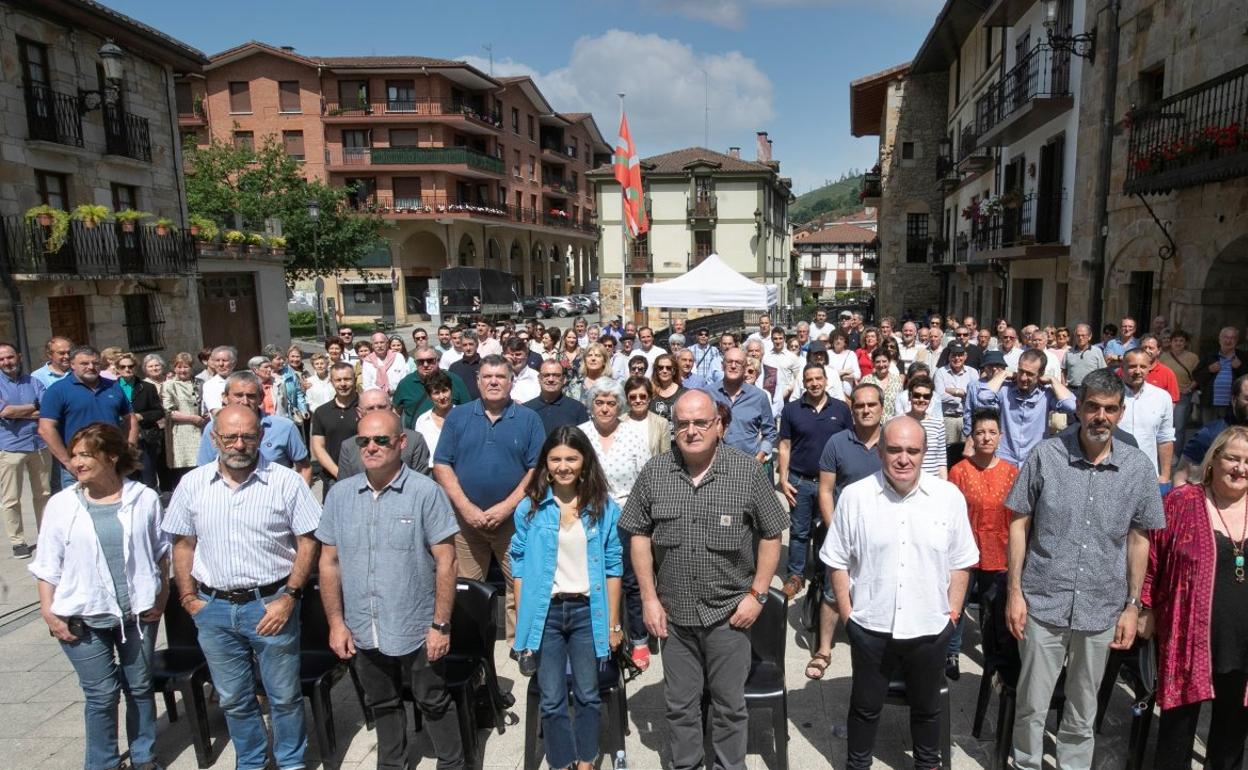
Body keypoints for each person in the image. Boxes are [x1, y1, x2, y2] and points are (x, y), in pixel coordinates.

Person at [1004, 368, 1166, 770]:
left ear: (1121, 413)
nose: (1100, 417)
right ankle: (1025, 763)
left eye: (1110, 409)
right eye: (1092, 406)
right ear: (1078, 407)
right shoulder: (1046, 456)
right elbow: (1018, 522)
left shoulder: (1138, 468)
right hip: (1044, 601)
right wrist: (1014, 592)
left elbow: (1139, 538)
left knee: (1082, 709)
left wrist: (1133, 605)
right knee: (1031, 704)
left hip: (1101, 609)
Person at [619, 389, 788, 770]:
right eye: (683, 424)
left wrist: (758, 594)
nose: (691, 431)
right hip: (674, 616)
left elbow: (772, 532)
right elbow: (639, 534)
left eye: (700, 422)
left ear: (718, 426)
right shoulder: (655, 472)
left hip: (728, 615)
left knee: (730, 707)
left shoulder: (745, 471)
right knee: (680, 707)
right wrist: (648, 598)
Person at [165, 404, 321, 770]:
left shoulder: (285, 481)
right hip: (213, 607)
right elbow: (183, 544)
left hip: (270, 604)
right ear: (214, 438)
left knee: (283, 697)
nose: (239, 444)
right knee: (234, 698)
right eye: (230, 436)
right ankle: (250, 761)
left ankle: (290, 763)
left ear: (261, 438)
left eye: (248, 436)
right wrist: (187, 597)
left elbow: (309, 542)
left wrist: (290, 597)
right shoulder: (193, 483)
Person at [821, 416, 977, 770]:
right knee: (864, 708)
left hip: (929, 628)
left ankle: (927, 764)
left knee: (927, 710)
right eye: (894, 450)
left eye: (912, 450)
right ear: (879, 452)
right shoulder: (856, 497)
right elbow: (837, 561)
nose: (903, 458)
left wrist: (951, 616)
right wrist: (848, 616)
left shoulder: (948, 497)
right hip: (871, 627)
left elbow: (962, 561)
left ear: (924, 453)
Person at [317, 407, 463, 770]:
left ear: (401, 442)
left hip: (416, 624)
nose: (371, 447)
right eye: (363, 440)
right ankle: (392, 763)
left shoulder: (426, 493)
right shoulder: (340, 496)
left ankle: (453, 763)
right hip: (364, 624)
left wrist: (440, 624)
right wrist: (336, 623)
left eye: (381, 439)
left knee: (432, 699)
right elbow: (328, 563)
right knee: (381, 701)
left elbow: (447, 562)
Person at [29, 423, 168, 770]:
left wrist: (161, 599)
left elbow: (161, 553)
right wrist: (49, 612)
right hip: (81, 616)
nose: (76, 462)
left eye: (85, 455)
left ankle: (143, 755)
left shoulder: (144, 498)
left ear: (112, 455)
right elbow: (47, 564)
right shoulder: (62, 504)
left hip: (137, 613)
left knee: (139, 686)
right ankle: (103, 762)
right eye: (74, 455)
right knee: (102, 694)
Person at [512, 426, 623, 770]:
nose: (563, 465)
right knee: (552, 698)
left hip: (587, 614)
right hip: (546, 615)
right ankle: (562, 762)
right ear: (545, 464)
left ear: (585, 461)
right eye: (556, 458)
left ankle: (586, 759)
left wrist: (614, 624)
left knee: (589, 695)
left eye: (571, 458)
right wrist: (523, 618)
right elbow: (518, 563)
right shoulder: (529, 509)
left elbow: (613, 566)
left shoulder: (604, 509)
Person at [1140, 425, 1248, 770]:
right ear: (1213, 459)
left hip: (1242, 645)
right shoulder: (1181, 502)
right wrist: (1144, 606)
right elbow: (1150, 558)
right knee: (1177, 732)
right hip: (1189, 637)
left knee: (1232, 734)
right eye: (1232, 457)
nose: (1240, 468)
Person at [434, 355, 546, 638]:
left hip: (514, 522)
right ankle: (472, 650)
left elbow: (537, 469)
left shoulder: (529, 419)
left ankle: (520, 645)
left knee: (518, 586)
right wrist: (466, 507)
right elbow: (442, 464)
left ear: (511, 381)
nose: (493, 382)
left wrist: (506, 508)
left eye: (500, 377)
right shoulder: (457, 417)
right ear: (478, 381)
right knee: (466, 589)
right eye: (487, 377)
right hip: (465, 523)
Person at [808, 383, 886, 680]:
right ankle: (824, 648)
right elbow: (826, 491)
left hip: (882, 534)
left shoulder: (891, 441)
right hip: (844, 533)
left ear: (881, 408)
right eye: (859, 406)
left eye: (871, 405)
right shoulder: (837, 442)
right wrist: (835, 530)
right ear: (852, 409)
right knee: (832, 591)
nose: (865, 410)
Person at [577, 378, 654, 670]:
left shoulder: (633, 434)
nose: (606, 408)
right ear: (591, 405)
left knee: (632, 581)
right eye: (599, 402)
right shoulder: (581, 434)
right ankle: (601, 635)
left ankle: (638, 639)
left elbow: (645, 478)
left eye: (611, 403)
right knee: (595, 580)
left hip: (627, 518)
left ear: (619, 405)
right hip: (589, 518)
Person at [946, 408, 1019, 680]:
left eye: (991, 433)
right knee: (957, 602)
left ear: (1000, 436)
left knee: (993, 607)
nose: (986, 438)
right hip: (964, 551)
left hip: (998, 550)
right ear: (972, 438)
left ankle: (993, 656)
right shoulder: (959, 471)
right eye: (980, 433)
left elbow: (1017, 516)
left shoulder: (1012, 473)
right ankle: (950, 652)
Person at [778, 364, 852, 599]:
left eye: (818, 378)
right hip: (801, 480)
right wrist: (782, 477)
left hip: (831, 483)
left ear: (826, 379)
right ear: (804, 382)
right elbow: (785, 446)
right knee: (799, 532)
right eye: (809, 379)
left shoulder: (841, 409)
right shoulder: (792, 410)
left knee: (828, 530)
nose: (814, 383)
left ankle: (823, 572)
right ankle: (795, 575)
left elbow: (848, 442)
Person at [38, 346, 138, 490]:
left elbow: (131, 420)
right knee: (77, 510)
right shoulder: (58, 390)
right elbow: (45, 428)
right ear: (72, 365)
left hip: (110, 461)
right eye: (84, 364)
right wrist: (67, 462)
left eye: (95, 363)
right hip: (78, 464)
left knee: (114, 504)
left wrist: (129, 449)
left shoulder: (113, 387)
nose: (91, 367)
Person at [198, 372, 313, 483]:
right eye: (238, 395)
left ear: (261, 397)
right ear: (225, 397)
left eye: (251, 396)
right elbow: (203, 471)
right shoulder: (213, 428)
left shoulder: (284, 427)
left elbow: (304, 468)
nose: (244, 401)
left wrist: (295, 497)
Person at [977, 349, 1076, 466]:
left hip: (1033, 460)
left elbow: (1071, 406)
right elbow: (982, 398)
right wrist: (1003, 374)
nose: (1023, 378)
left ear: (1041, 373)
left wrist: (1053, 380)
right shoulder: (1005, 390)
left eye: (1029, 374)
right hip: (1005, 458)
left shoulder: (1046, 395)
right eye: (1021, 371)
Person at [0, 343, 49, 558]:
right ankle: (17, 541)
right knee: (11, 498)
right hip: (10, 446)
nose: (6, 362)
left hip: (38, 444)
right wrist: (32, 407)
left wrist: (17, 413)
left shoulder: (34, 381)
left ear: (18, 357)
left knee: (44, 494)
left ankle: (46, 535)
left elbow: (46, 407)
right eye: (1, 359)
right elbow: (6, 411)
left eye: (10, 357)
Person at [334, 389, 431, 479]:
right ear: (359, 413)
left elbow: (423, 483)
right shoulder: (349, 446)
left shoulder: (414, 440)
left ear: (392, 408)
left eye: (382, 407)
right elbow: (345, 489)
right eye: (370, 408)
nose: (377, 411)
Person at [1120, 348, 1176, 488]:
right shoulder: (1110, 394)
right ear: (1123, 367)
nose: (1138, 371)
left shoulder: (1162, 398)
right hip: (1113, 473)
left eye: (1143, 366)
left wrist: (1165, 476)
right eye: (1132, 366)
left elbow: (1165, 438)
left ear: (1149, 367)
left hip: (1147, 476)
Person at [709, 348, 777, 462]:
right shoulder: (707, 394)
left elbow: (770, 432)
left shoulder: (759, 397)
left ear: (745, 367)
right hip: (714, 463)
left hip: (748, 463)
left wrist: (760, 455)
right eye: (729, 362)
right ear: (722, 365)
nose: (733, 366)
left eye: (738, 362)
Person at [310, 362, 361, 492]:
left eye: (347, 379)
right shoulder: (321, 412)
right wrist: (339, 473)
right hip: (333, 478)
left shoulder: (366, 407)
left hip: (364, 476)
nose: (343, 384)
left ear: (355, 379)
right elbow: (318, 446)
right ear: (331, 382)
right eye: (338, 380)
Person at [393, 348, 472, 429]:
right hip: (418, 437)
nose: (426, 365)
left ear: (437, 360)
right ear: (415, 363)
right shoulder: (406, 383)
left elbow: (468, 410)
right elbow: (395, 412)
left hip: (452, 433)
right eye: (420, 361)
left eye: (430, 360)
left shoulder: (453, 380)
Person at [162, 352, 207, 489]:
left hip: (201, 429)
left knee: (202, 466)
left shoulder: (200, 383)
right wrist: (192, 418)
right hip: (182, 431)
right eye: (179, 367)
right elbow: (169, 411)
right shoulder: (169, 385)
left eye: (186, 367)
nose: (182, 370)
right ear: (174, 368)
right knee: (185, 467)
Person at [1196, 326, 1248, 421]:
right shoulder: (1210, 356)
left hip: (1232, 405)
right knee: (1209, 432)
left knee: (1229, 433)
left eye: (1232, 338)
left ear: (1236, 341)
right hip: (1210, 403)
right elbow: (1196, 376)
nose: (1228, 341)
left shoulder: (1243, 357)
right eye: (1226, 337)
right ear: (1219, 339)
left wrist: (1240, 368)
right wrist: (1209, 370)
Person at [525, 359, 590, 436]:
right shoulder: (527, 409)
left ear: (564, 379)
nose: (551, 379)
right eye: (546, 375)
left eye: (556, 375)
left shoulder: (578, 409)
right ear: (539, 378)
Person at [1160, 329, 1200, 445]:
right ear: (1171, 342)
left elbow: (1198, 376)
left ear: (1185, 343)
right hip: (1166, 395)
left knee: (1179, 427)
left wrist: (1189, 388)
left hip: (1183, 395)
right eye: (1175, 340)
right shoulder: (1164, 357)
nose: (1178, 343)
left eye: (1181, 341)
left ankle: (1176, 454)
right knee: (1164, 426)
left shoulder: (1193, 357)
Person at [904, 376, 947, 480]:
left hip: (932, 483)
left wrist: (944, 485)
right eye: (917, 395)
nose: (921, 400)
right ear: (910, 396)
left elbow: (941, 461)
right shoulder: (898, 422)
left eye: (926, 396)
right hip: (906, 482)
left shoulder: (938, 425)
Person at [414, 369, 454, 469]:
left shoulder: (464, 415)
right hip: (432, 472)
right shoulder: (422, 421)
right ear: (429, 396)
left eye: (445, 390)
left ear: (451, 390)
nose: (442, 396)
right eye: (436, 393)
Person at [623, 377, 672, 458]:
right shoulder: (619, 422)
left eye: (642, 396)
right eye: (633, 397)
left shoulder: (662, 423)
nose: (638, 400)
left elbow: (665, 458)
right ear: (627, 400)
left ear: (649, 398)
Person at [861, 347, 903, 421]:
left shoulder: (897, 381)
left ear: (889, 362)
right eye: (877, 362)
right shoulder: (866, 380)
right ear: (873, 363)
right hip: (871, 424)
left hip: (891, 424)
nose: (881, 365)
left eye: (884, 361)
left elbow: (900, 405)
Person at [1063, 323, 1108, 390]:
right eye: (1078, 335)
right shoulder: (1068, 352)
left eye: (1083, 335)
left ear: (1089, 336)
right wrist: (1064, 387)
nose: (1080, 338)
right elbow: (1064, 371)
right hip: (1072, 390)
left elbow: (1103, 372)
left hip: (1090, 390)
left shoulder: (1097, 351)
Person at [200, 345, 236, 416]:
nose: (221, 364)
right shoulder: (210, 385)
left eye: (224, 360)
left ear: (233, 363)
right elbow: (216, 412)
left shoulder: (242, 380)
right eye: (217, 361)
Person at [648, 353, 685, 420]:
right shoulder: (649, 392)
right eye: (660, 368)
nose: (664, 371)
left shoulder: (684, 393)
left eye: (668, 368)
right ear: (656, 371)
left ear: (674, 371)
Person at [504, 337, 541, 404]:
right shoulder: (500, 377)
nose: (514, 358)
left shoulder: (537, 377)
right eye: (511, 355)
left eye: (518, 354)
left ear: (526, 355)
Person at [449, 330, 484, 400]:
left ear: (477, 345)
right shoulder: (454, 367)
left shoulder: (485, 365)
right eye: (465, 345)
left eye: (471, 344)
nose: (468, 348)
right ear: (461, 347)